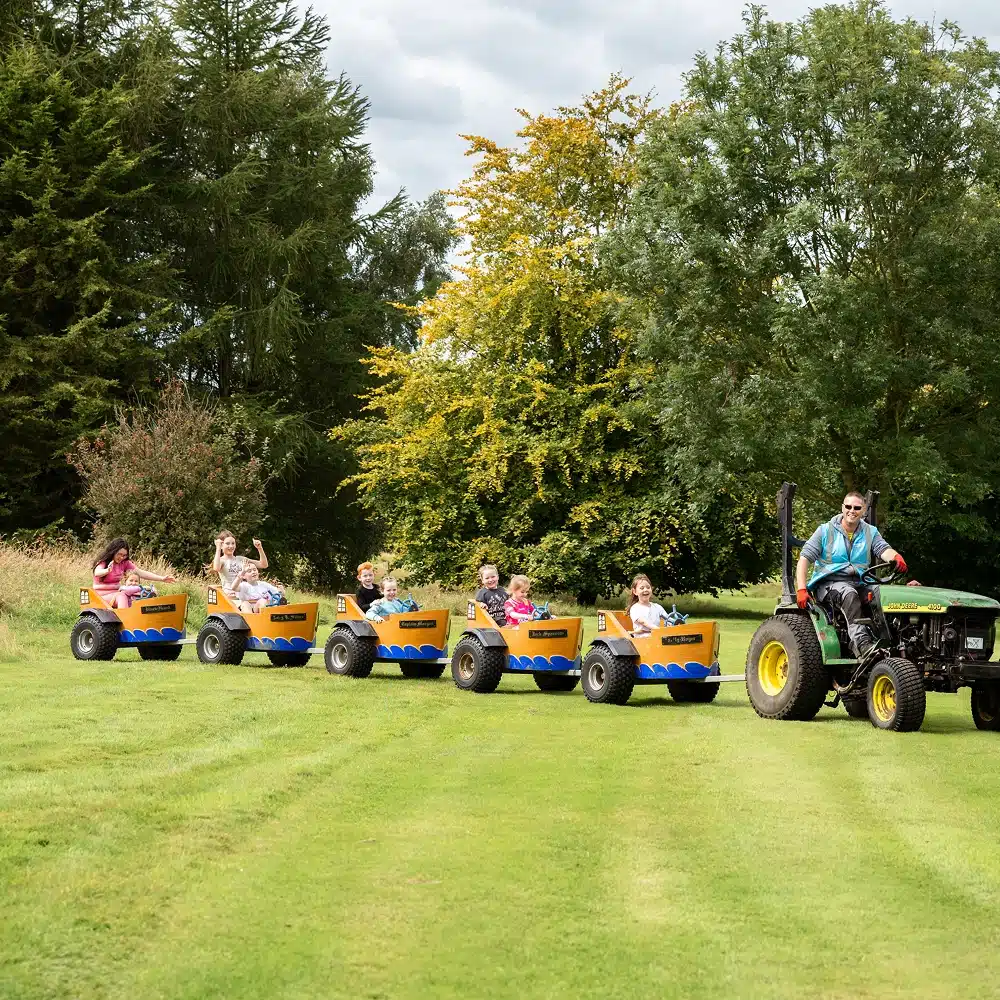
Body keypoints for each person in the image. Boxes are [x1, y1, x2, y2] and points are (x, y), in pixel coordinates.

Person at [796, 490, 907, 657]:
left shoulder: (870, 532)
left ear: (863, 511)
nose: (851, 511)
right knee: (849, 594)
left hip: (861, 582)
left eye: (856, 507)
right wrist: (802, 589)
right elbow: (804, 559)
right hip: (829, 584)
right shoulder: (825, 531)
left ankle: (891, 642)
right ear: (842, 507)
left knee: (882, 594)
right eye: (848, 506)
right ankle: (862, 645)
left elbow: (884, 550)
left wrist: (896, 557)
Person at [92, 538, 175, 609]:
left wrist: (162, 578)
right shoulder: (103, 562)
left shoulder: (125, 563)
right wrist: (107, 570)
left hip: (117, 592)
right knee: (122, 596)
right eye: (119, 554)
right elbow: (97, 573)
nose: (121, 557)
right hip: (101, 596)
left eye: (124, 555)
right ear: (113, 552)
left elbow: (141, 573)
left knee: (138, 595)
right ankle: (125, 620)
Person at [212, 530, 268, 597]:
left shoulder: (241, 559)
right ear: (221, 545)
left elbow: (263, 565)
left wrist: (259, 548)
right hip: (230, 596)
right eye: (227, 543)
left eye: (233, 543)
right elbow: (216, 568)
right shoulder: (221, 560)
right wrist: (218, 548)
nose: (231, 546)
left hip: (243, 595)